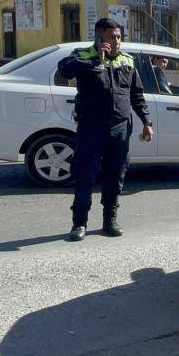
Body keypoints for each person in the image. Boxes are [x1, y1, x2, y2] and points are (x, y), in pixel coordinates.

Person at [58, 18, 154, 241]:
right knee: (85, 176)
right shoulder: (81, 55)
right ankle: (79, 223)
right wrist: (94, 59)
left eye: (119, 37)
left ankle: (109, 220)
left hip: (120, 128)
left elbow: (136, 95)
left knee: (115, 176)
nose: (117, 41)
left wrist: (147, 122)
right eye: (112, 37)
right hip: (91, 127)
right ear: (99, 37)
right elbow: (65, 70)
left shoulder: (127, 61)